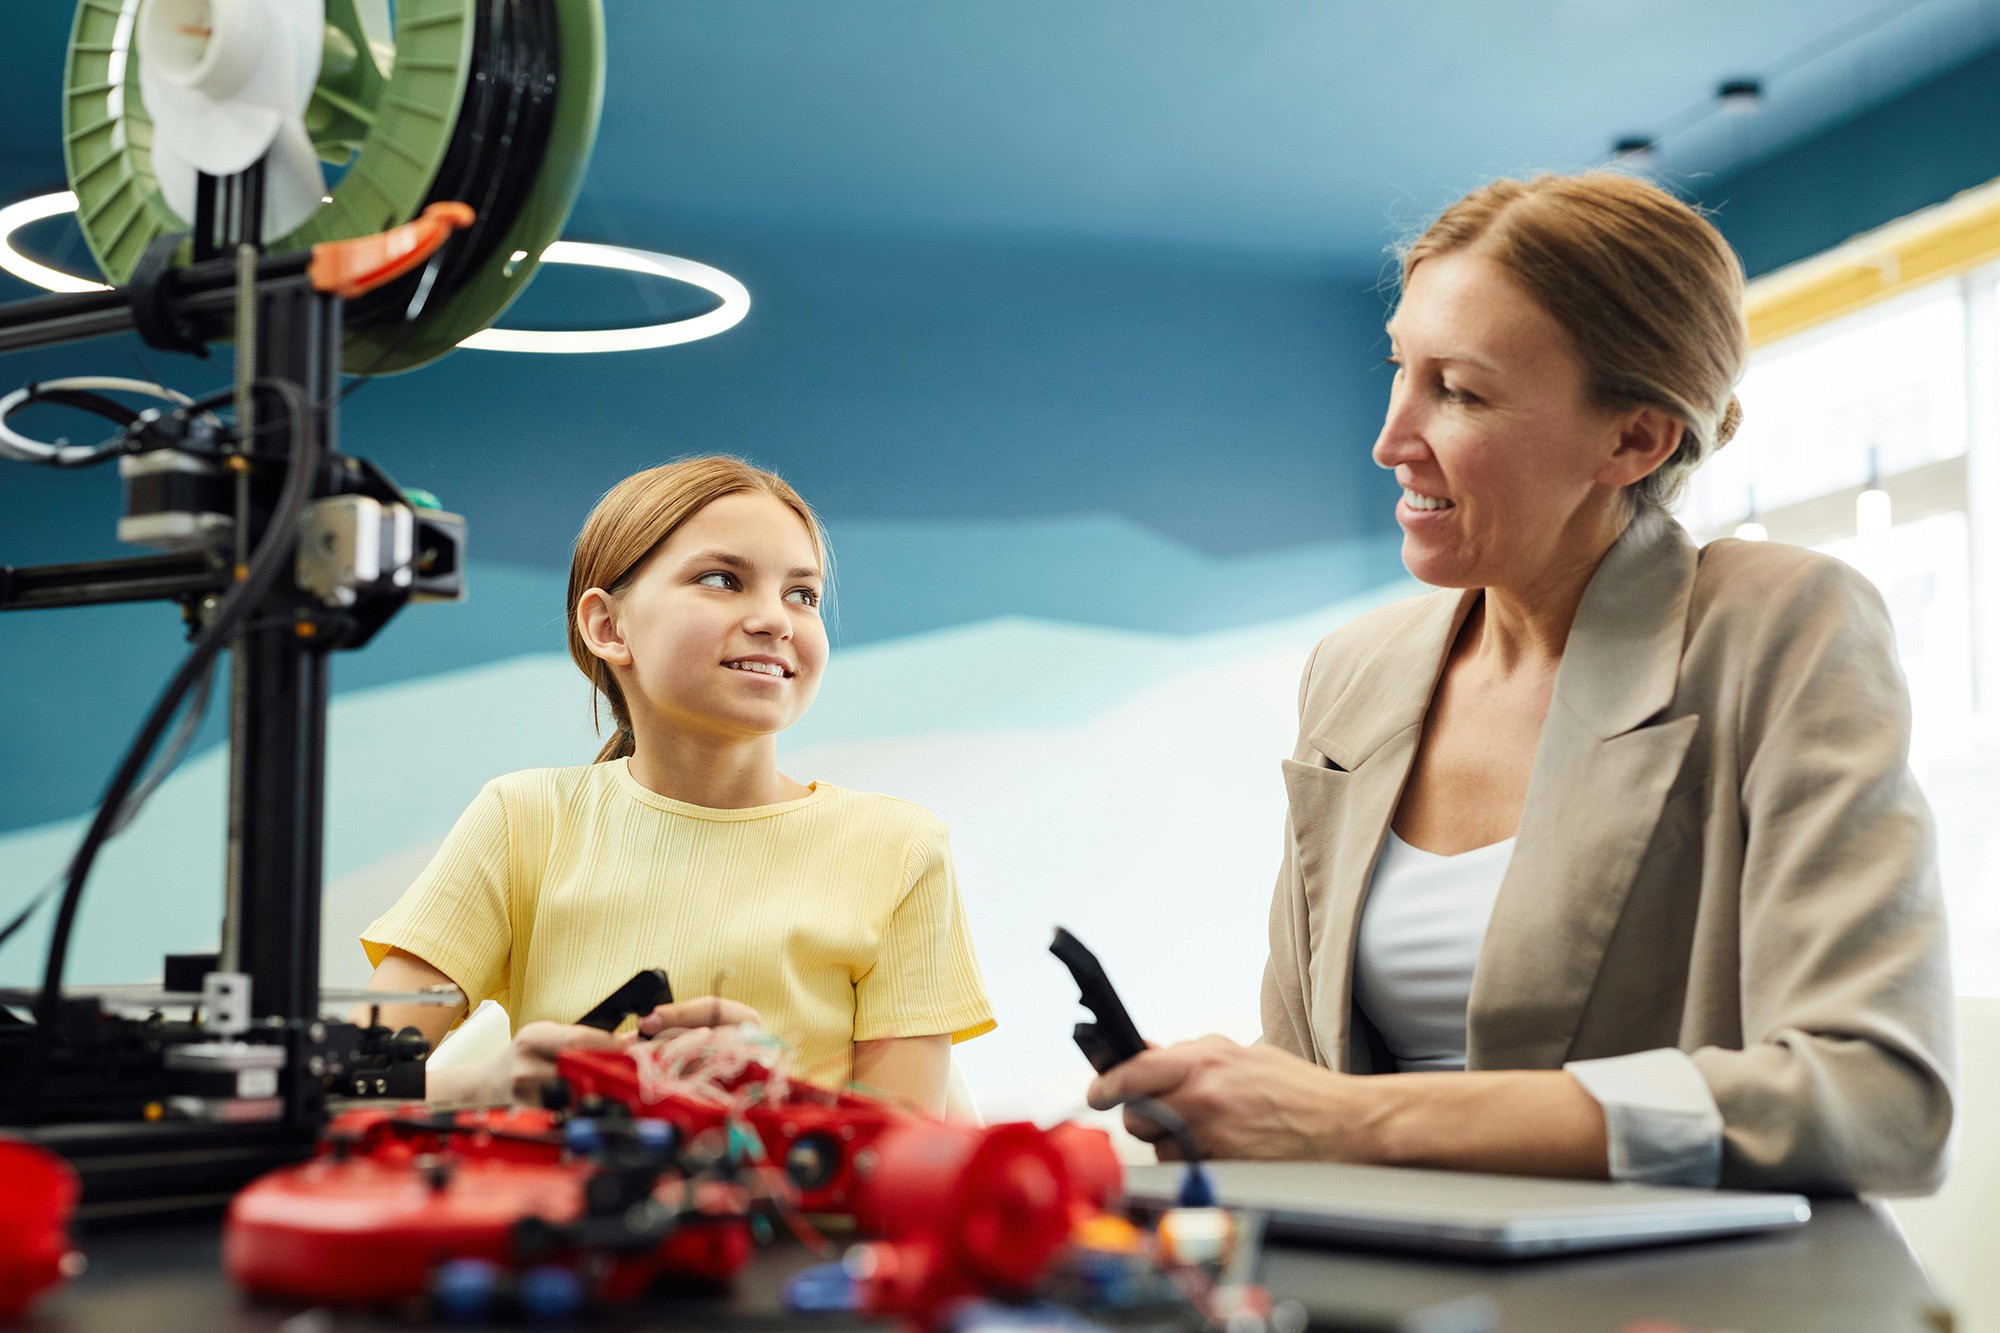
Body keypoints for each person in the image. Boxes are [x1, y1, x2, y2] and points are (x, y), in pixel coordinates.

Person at [1088, 171, 1954, 1194]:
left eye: (1456, 390)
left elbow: (1875, 1102)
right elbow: (1318, 1075)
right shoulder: (1353, 673)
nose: (1387, 440)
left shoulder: (1779, 626)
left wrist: (1361, 1118)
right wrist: (1237, 1099)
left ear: (1632, 438)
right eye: (1397, 368)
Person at [357, 456, 995, 1113]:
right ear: (607, 627)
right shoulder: (522, 817)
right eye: (723, 579)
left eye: (801, 593)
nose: (776, 618)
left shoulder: (900, 847)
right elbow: (338, 1082)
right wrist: (485, 1085)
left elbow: (906, 1162)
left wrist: (767, 1093)